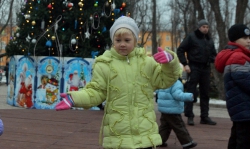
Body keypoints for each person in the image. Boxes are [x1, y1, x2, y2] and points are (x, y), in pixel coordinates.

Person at [56, 16, 180, 149]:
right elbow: (96, 91)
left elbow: (165, 80)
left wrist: (170, 63)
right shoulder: (105, 64)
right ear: (113, 41)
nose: (122, 44)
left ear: (135, 41)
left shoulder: (146, 63)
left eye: (127, 40)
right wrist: (74, 98)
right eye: (118, 40)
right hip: (117, 136)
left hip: (145, 134)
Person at [215, 23, 250, 149]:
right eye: (245, 38)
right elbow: (245, 81)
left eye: (249, 38)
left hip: (240, 106)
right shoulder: (238, 57)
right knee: (244, 140)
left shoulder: (239, 55)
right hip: (244, 106)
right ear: (235, 40)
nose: (248, 40)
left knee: (237, 137)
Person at [177, 19, 217, 126]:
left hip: (206, 68)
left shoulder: (209, 40)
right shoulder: (192, 37)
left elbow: (214, 54)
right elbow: (180, 50)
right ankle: (189, 115)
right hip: (194, 67)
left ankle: (204, 116)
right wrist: (185, 64)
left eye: (207, 27)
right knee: (191, 92)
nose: (205, 29)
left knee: (205, 93)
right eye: (203, 27)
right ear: (199, 27)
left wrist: (214, 59)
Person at [156, 64, 197, 148]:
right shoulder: (176, 83)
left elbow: (157, 91)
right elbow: (178, 95)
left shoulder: (163, 81)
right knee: (179, 126)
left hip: (164, 109)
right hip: (172, 109)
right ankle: (187, 142)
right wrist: (189, 96)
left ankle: (159, 141)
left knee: (165, 127)